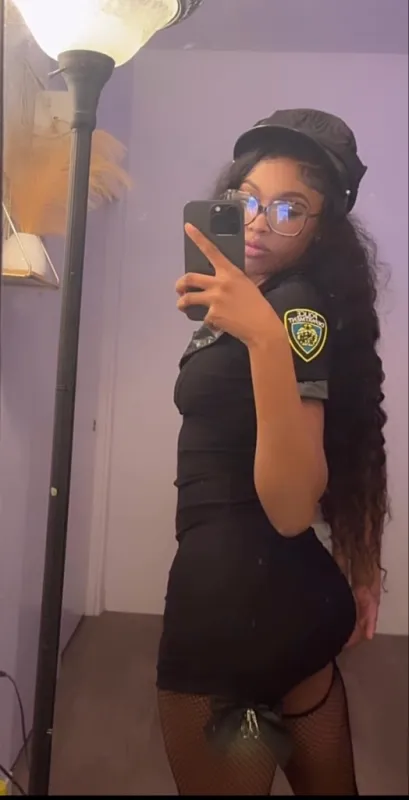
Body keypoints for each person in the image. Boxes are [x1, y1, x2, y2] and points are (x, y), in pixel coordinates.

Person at [156, 108, 389, 796]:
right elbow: (356, 435)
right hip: (289, 599)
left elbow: (290, 507)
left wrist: (263, 337)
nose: (259, 222)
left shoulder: (291, 311)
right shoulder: (268, 299)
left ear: (320, 229)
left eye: (290, 209)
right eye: (248, 199)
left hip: (232, 612)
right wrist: (362, 557)